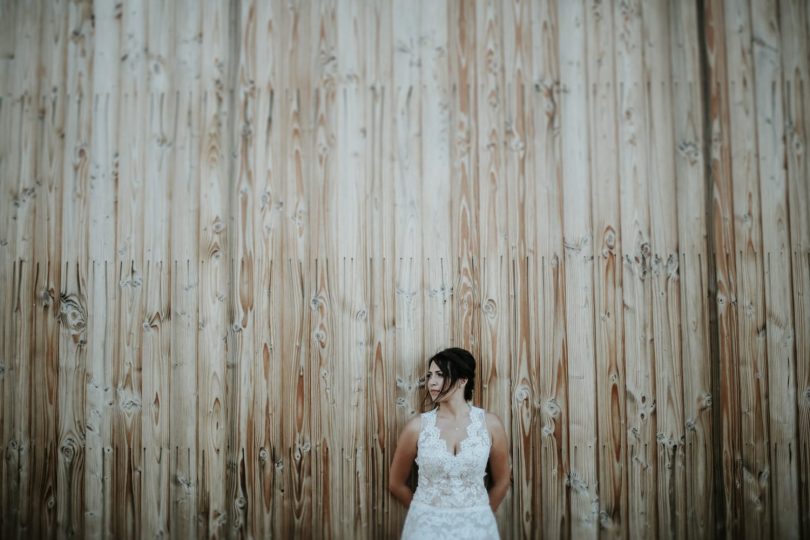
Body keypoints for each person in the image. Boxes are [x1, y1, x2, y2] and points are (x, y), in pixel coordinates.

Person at [388, 348, 510, 539]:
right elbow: (396, 483)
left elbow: (502, 481)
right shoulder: (417, 428)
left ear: (463, 380)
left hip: (477, 528)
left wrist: (481, 514)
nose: (432, 382)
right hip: (425, 528)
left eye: (440, 375)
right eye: (430, 375)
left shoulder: (490, 425)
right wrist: (424, 512)